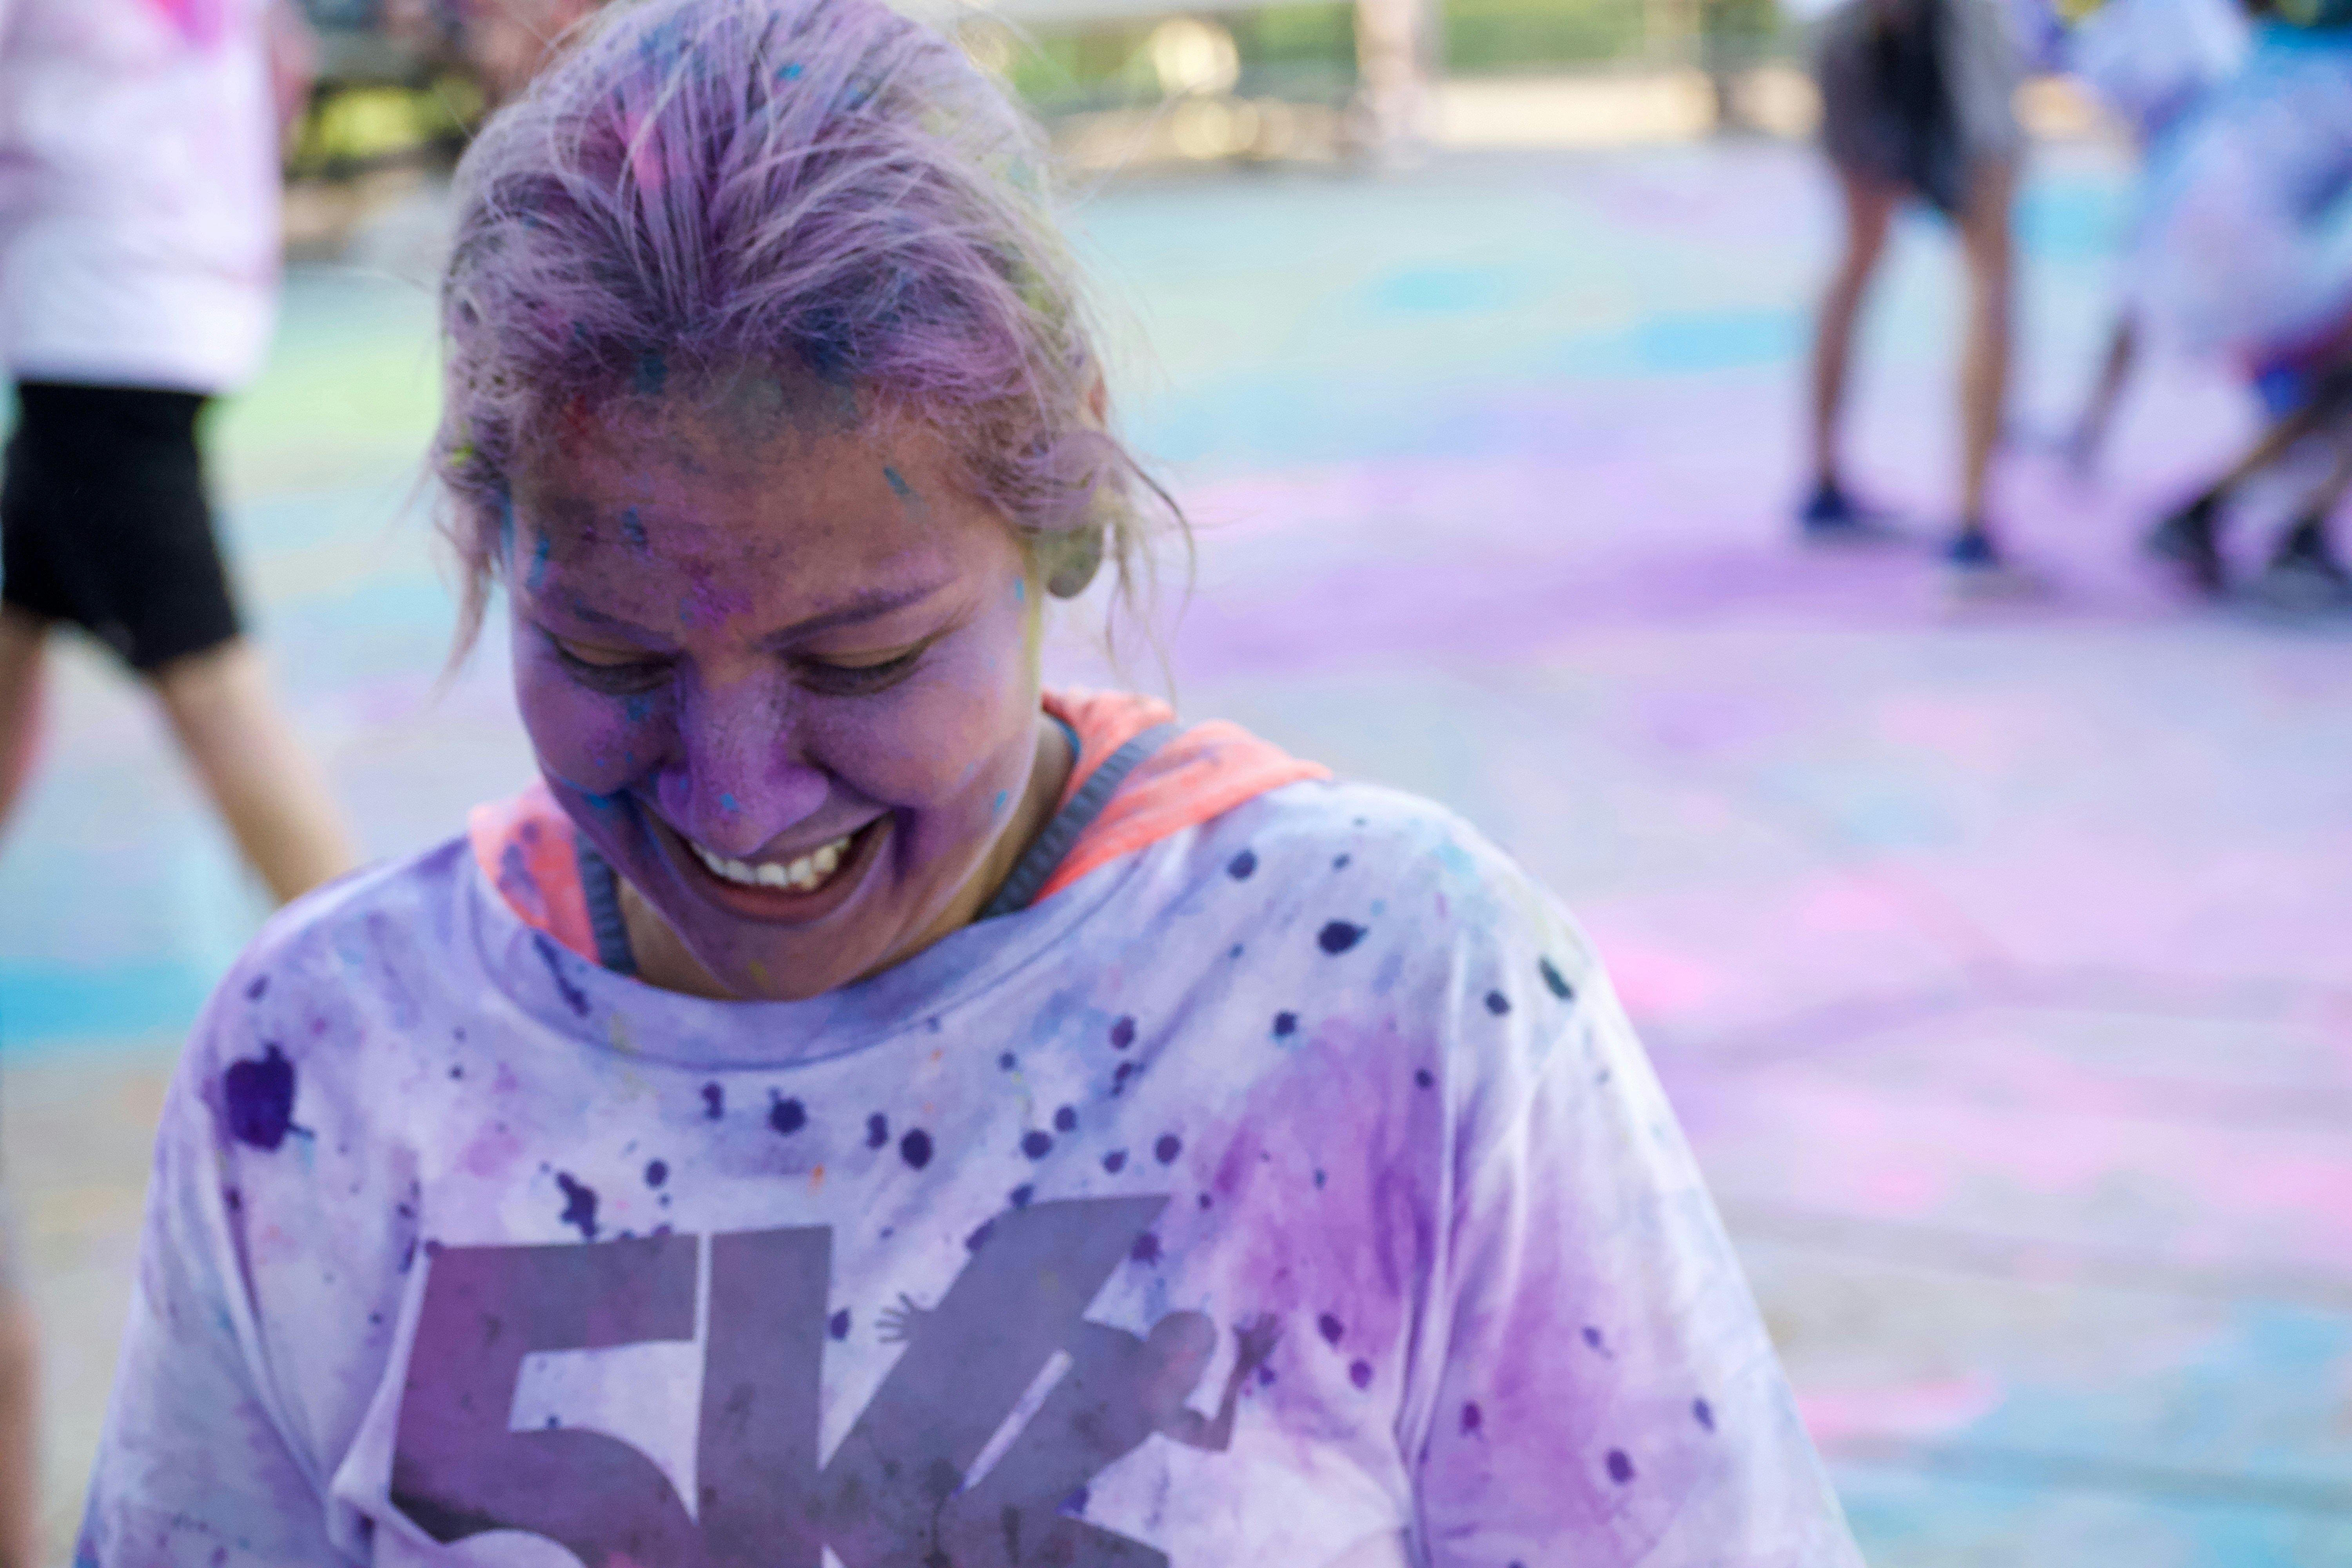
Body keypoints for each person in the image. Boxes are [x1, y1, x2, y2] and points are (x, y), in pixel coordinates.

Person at [76, 1, 1865, 1562]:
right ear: (492, 536)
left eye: (857, 660)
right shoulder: (321, 1071)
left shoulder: (1385, 995)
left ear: (1060, 500)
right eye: (615, 660)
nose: (739, 793)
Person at [0, 0, 359, 903]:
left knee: (207, 672)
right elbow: (287, 66)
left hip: (92, 315)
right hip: (183, 293)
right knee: (16, 614)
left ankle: (373, 979)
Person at [1802, 0, 2035, 592]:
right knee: (1990, 272)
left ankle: (1824, 485)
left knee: (1859, 255)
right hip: (1941, 29)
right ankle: (1971, 530)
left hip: (1844, 28)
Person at [2137, 3, 2352, 607]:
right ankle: (2290, 532)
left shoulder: (2283, 47)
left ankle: (2220, 513)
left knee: (2339, 384)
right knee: (2340, 381)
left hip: (2179, 245)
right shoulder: (2334, 61)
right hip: (2256, 262)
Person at [2060, 0, 2249, 473]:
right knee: (2140, 303)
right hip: (2182, 171)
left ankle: (2090, 425)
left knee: (2241, 316)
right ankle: (2090, 424)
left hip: (2205, 172)